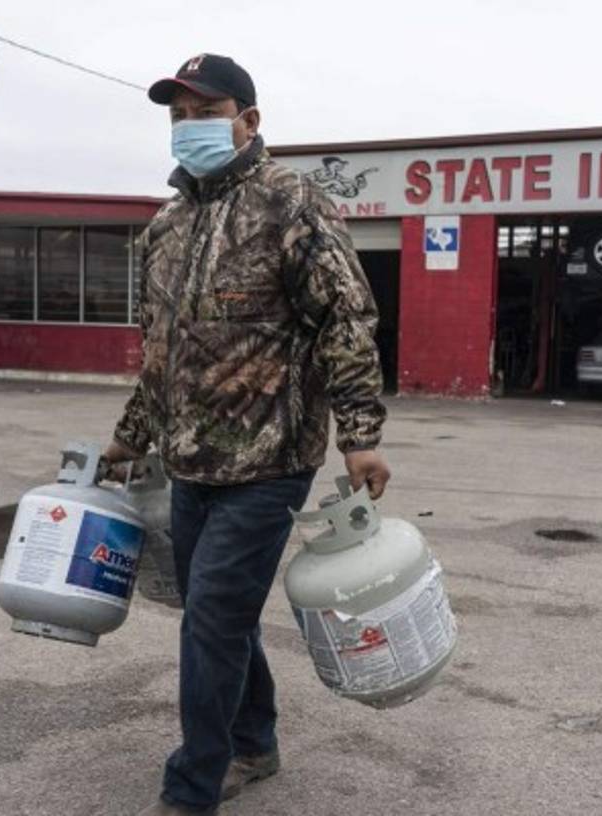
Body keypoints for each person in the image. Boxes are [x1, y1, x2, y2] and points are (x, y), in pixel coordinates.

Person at [102, 53, 391, 815]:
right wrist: (130, 437)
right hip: (190, 462)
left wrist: (360, 433)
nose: (190, 126)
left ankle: (194, 783)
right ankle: (255, 740)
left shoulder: (291, 204)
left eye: (205, 111)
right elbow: (160, 354)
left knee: (210, 621)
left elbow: (346, 320)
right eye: (178, 115)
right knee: (216, 615)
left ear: (248, 120)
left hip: (270, 460)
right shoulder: (166, 226)